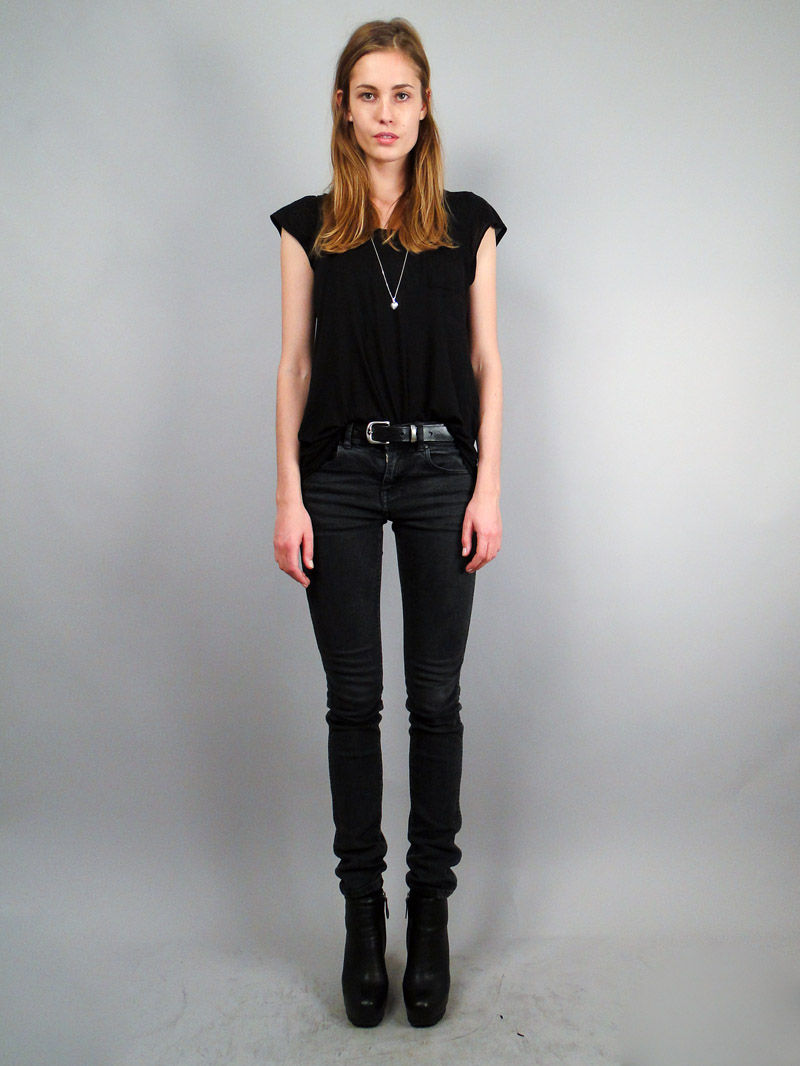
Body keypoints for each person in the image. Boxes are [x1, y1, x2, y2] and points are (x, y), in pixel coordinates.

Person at [270, 18, 505, 1028]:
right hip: (336, 478)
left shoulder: (467, 222)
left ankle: (430, 918)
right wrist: (288, 493)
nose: (384, 113)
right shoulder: (307, 227)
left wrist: (488, 487)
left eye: (400, 93)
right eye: (366, 95)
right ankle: (363, 923)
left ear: (424, 104)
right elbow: (294, 367)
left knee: (436, 700)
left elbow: (488, 363)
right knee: (352, 702)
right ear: (342, 107)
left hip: (441, 473)